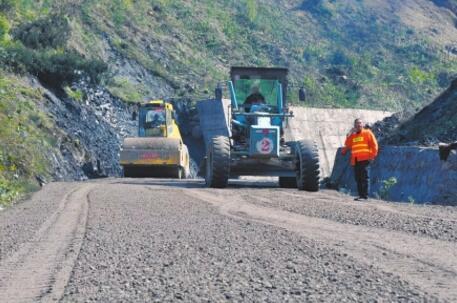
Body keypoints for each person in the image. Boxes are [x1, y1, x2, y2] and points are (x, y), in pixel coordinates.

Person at [341, 118, 378, 200]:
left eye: (360, 123)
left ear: (363, 125)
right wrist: (349, 134)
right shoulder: (353, 135)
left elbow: (374, 145)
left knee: (364, 178)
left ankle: (365, 196)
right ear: (354, 126)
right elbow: (347, 144)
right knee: (358, 179)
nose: (359, 125)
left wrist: (372, 156)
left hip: (365, 159)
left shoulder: (368, 133)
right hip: (355, 160)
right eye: (357, 123)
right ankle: (361, 195)